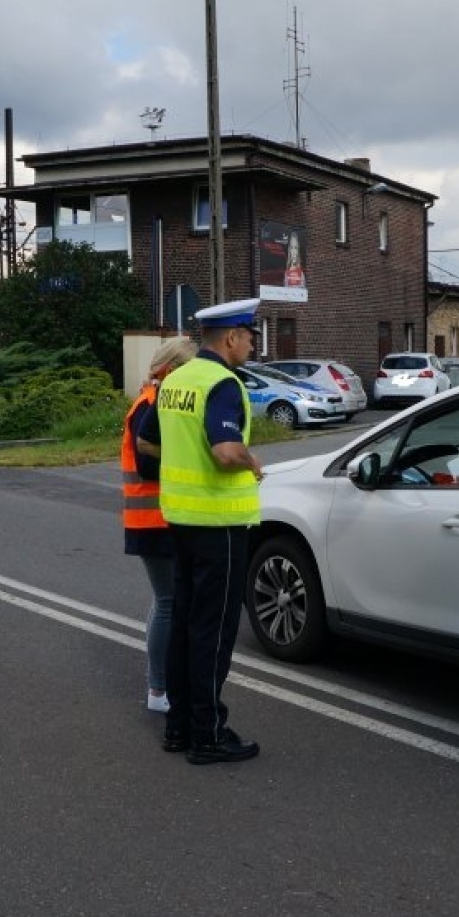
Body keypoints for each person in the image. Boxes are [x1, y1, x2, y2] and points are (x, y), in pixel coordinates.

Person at [139, 298, 266, 765]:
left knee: (186, 627)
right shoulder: (222, 383)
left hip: (181, 521)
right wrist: (253, 463)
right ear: (230, 338)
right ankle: (208, 734)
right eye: (250, 336)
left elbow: (146, 438)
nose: (253, 344)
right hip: (220, 524)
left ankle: (178, 728)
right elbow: (226, 451)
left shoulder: (176, 381)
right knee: (213, 633)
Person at [122, 335, 196, 714]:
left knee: (164, 602)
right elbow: (150, 465)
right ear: (170, 370)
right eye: (186, 369)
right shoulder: (149, 406)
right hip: (154, 518)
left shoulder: (152, 402)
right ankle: (158, 689)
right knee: (168, 603)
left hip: (153, 517)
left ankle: (160, 684)